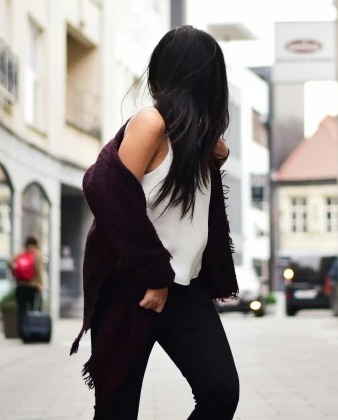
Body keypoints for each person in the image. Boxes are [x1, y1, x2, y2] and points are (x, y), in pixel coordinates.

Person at [73, 26, 240, 420]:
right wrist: (154, 275)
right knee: (117, 411)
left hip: (186, 290)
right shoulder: (150, 124)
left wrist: (213, 149)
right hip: (134, 288)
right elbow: (107, 193)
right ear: (206, 76)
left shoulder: (204, 142)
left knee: (220, 392)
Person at [8, 235, 43, 341]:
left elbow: (9, 262)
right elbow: (39, 270)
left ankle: (22, 333)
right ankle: (32, 331)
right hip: (33, 286)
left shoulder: (22, 253)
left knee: (21, 311)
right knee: (34, 310)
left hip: (20, 286)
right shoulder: (37, 254)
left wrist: (15, 273)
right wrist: (40, 284)